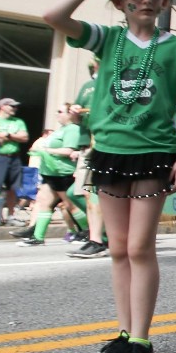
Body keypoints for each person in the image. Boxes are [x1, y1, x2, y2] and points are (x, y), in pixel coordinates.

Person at [43, 0, 176, 353]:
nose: (148, 0)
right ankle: (123, 333)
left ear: (165, 2)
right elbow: (53, 18)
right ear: (121, 2)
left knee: (139, 248)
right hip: (109, 155)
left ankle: (141, 342)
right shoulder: (107, 39)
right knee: (117, 249)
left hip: (153, 154)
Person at [17, 107, 87, 247]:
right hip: (50, 172)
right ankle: (38, 236)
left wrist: (47, 150)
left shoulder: (72, 129)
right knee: (44, 202)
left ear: (69, 114)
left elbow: (69, 150)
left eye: (60, 111)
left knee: (70, 205)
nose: (57, 114)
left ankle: (89, 231)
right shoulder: (60, 129)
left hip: (62, 172)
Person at [69, 58, 110, 255]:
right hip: (90, 144)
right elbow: (75, 118)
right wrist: (74, 113)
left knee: (96, 192)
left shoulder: (116, 81)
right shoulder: (88, 86)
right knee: (86, 192)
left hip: (107, 143)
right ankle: (98, 237)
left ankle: (99, 238)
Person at [0, 97, 31, 228]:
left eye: (15, 106)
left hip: (14, 156)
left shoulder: (18, 121)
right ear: (2, 106)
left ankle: (11, 216)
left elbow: (24, 137)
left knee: (13, 188)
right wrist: (10, 136)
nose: (15, 109)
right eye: (12, 106)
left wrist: (8, 135)